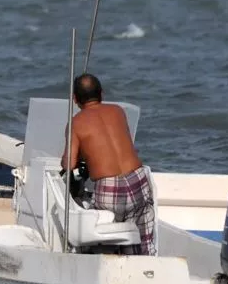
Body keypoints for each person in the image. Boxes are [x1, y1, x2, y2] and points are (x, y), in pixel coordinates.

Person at [60, 73, 156, 256]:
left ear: (74, 99)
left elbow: (69, 164)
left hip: (110, 189)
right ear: (102, 93)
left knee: (102, 240)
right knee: (141, 243)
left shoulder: (76, 123)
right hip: (138, 178)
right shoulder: (118, 111)